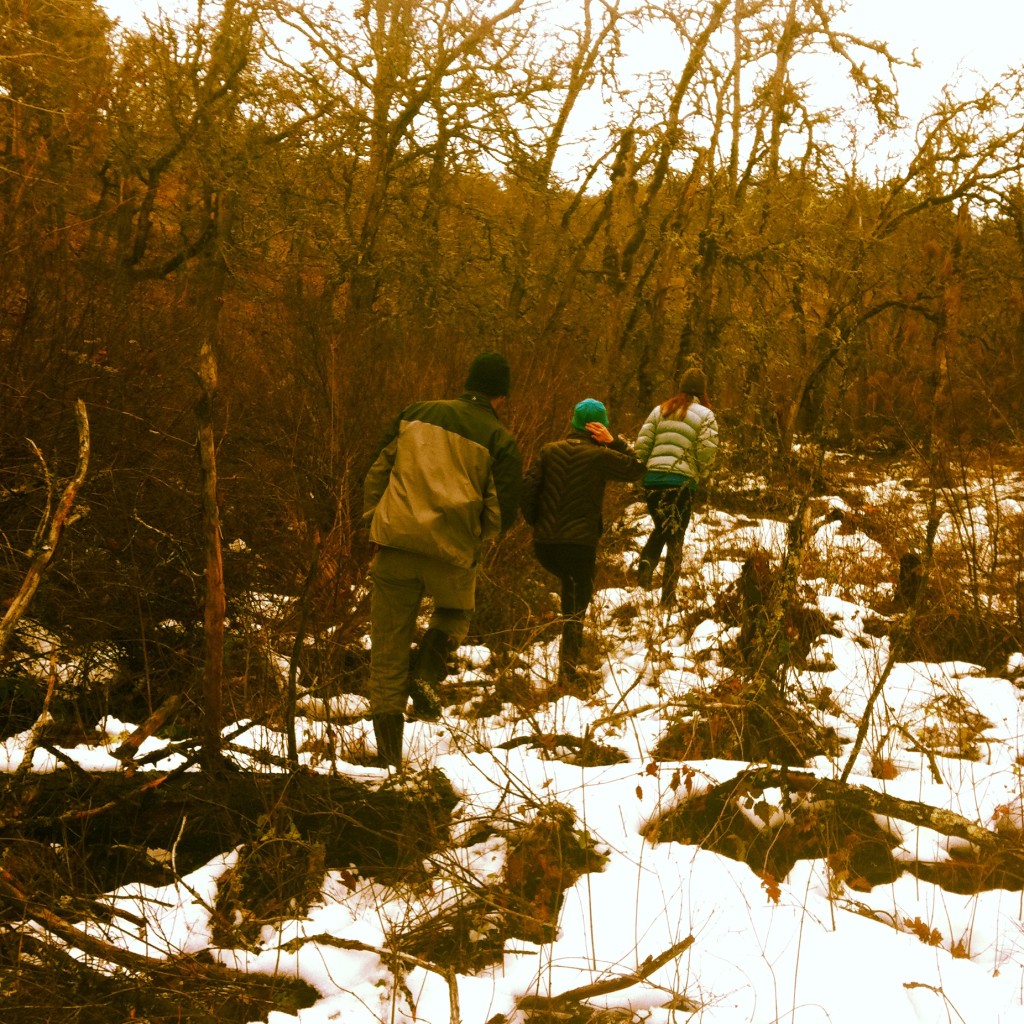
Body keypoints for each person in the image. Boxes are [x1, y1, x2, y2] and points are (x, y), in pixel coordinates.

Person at [362, 352, 522, 768]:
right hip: (451, 554)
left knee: (387, 651)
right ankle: (426, 671)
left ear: (466, 382)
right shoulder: (499, 439)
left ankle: (388, 759)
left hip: (394, 546)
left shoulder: (414, 414)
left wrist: (376, 521)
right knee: (456, 613)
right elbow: (502, 512)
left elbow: (378, 470)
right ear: (500, 395)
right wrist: (474, 537)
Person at [521, 398, 643, 691]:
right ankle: (567, 672)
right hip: (579, 545)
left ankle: (566, 665)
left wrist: (539, 523)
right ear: (599, 429)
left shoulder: (549, 451)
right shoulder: (599, 456)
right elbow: (638, 468)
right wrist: (615, 443)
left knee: (569, 597)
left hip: (545, 545)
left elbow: (526, 489)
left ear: (574, 424)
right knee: (576, 607)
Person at [633, 367, 718, 606]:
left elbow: (642, 445)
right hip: (681, 483)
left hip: (653, 482)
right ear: (702, 391)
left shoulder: (660, 410)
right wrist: (701, 473)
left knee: (661, 528)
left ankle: (644, 576)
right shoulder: (706, 415)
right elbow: (707, 451)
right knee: (676, 537)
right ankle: (668, 598)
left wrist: (642, 474)